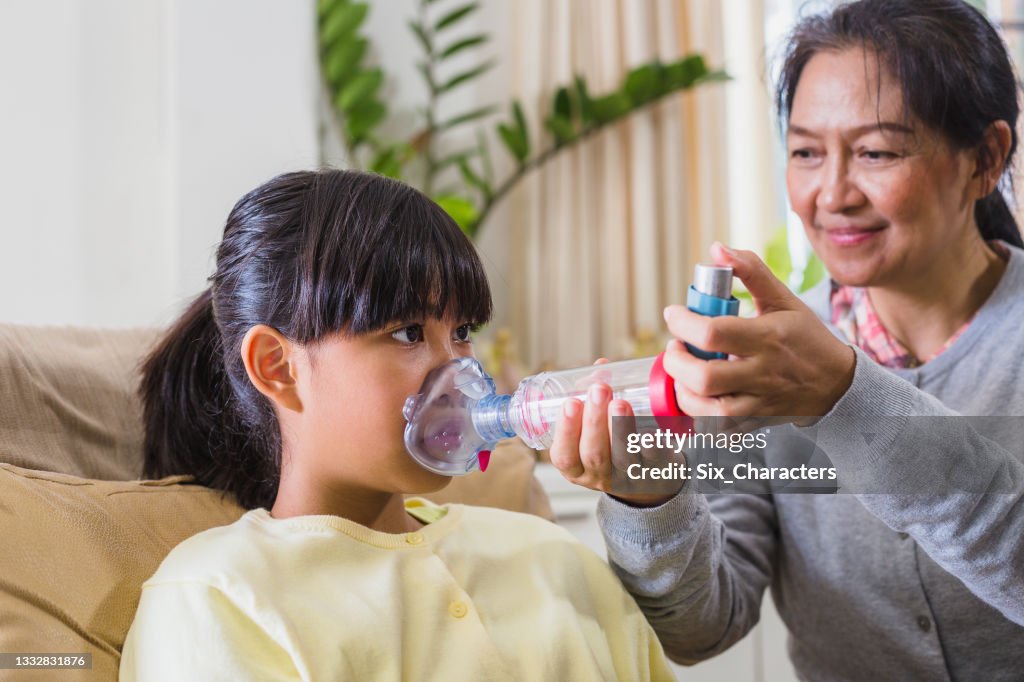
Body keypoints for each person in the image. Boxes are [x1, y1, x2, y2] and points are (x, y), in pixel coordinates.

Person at [548, 0, 1024, 679]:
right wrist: (649, 495)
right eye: (805, 152)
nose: (831, 194)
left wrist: (842, 396)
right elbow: (702, 626)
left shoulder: (801, 369)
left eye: (876, 152)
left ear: (986, 157)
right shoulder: (768, 368)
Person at [118, 169, 676, 681]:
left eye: (461, 331)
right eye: (408, 333)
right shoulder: (220, 595)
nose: (459, 372)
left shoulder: (552, 558)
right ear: (277, 366)